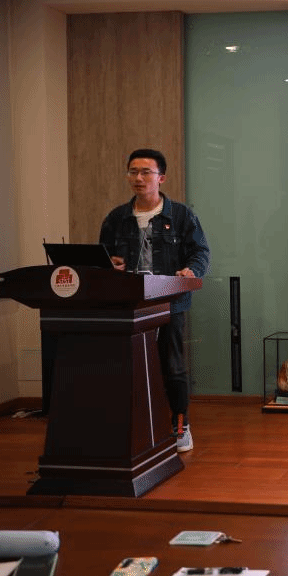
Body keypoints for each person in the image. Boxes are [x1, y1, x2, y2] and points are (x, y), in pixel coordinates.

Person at [99, 149, 210, 453]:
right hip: (130, 304)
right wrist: (111, 264)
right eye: (133, 171)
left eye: (146, 172)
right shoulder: (117, 218)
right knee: (129, 367)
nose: (138, 178)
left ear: (161, 178)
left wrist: (191, 270)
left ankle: (180, 425)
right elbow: (103, 256)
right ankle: (135, 426)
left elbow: (200, 252)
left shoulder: (182, 215)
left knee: (173, 366)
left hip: (169, 301)